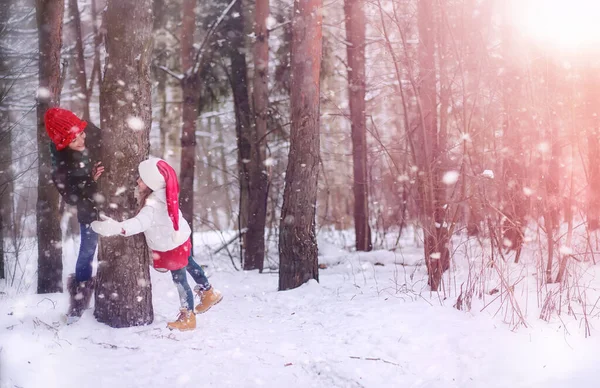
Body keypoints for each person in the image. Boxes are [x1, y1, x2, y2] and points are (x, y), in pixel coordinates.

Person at [91, 157, 222, 331]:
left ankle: (188, 317)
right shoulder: (167, 192)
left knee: (180, 279)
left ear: (152, 182)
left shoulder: (152, 205)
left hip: (171, 244)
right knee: (189, 262)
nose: (137, 180)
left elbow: (139, 223)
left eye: (141, 179)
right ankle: (209, 292)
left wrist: (118, 227)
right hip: (180, 239)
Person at [44, 107, 104, 324]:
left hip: (116, 206)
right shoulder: (61, 166)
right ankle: (78, 305)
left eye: (81, 133)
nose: (80, 140)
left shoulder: (94, 134)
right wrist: (91, 180)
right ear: (63, 144)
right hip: (90, 212)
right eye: (73, 139)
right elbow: (72, 197)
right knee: (87, 253)